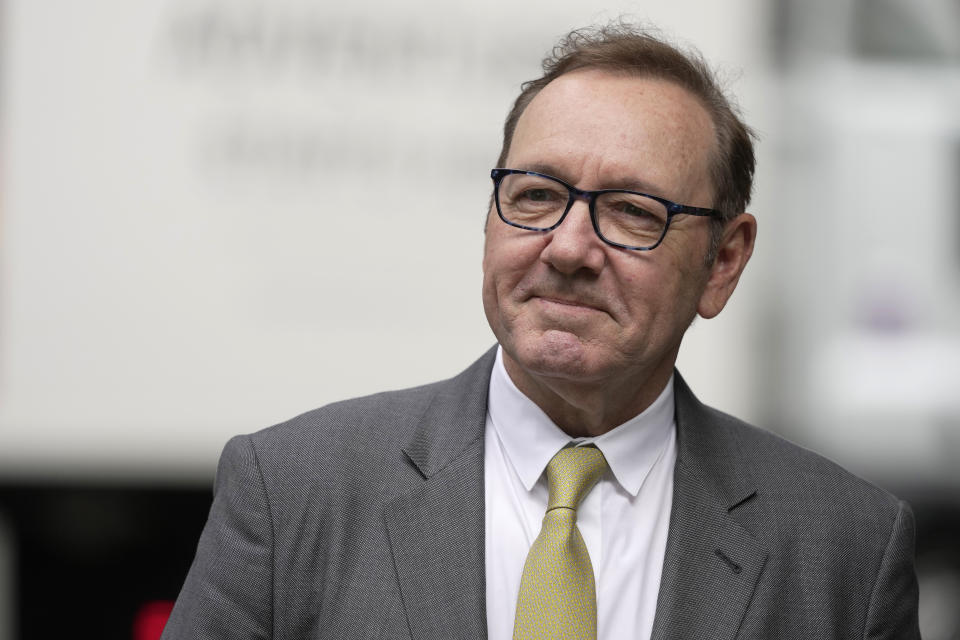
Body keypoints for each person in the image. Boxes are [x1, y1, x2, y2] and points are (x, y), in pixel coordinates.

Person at [161, 24, 920, 640]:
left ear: (724, 261)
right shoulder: (293, 491)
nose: (567, 249)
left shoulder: (845, 549)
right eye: (536, 195)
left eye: (631, 211)